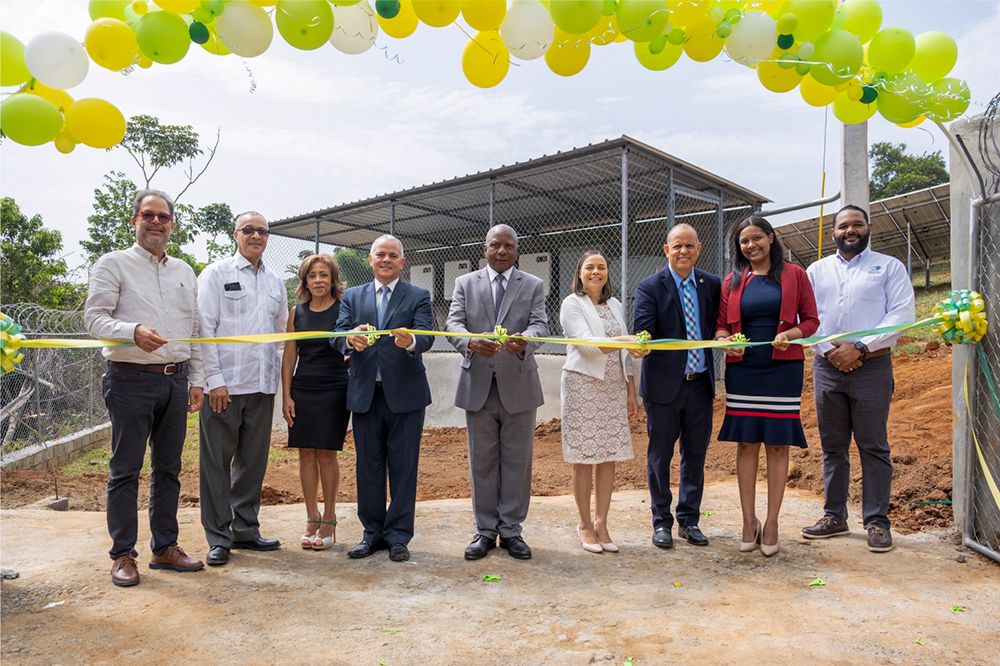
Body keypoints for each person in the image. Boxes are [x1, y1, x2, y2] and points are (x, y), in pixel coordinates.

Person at [84, 189, 206, 587]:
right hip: (129, 379)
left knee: (169, 469)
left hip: (175, 379)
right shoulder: (113, 264)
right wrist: (131, 331)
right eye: (148, 215)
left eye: (163, 217)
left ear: (172, 223)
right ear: (134, 220)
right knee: (125, 471)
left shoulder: (185, 271)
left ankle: (165, 547)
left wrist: (197, 379)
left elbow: (195, 330)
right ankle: (122, 554)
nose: (156, 222)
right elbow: (95, 319)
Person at [801, 205, 915, 553]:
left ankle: (877, 522)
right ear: (832, 232)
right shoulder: (816, 270)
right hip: (827, 367)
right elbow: (804, 317)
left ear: (868, 228)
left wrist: (860, 348)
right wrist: (831, 350)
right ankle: (834, 516)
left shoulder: (889, 267)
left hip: (873, 368)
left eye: (856, 225)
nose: (849, 231)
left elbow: (901, 314)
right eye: (842, 226)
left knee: (873, 445)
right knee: (833, 446)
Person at [715, 216, 819, 557]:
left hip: (782, 369)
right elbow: (719, 328)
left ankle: (772, 522)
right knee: (746, 443)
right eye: (744, 242)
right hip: (744, 369)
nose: (750, 246)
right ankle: (749, 521)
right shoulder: (732, 280)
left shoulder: (796, 275)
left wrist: (789, 335)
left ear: (771, 238)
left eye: (756, 238)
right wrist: (726, 341)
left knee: (776, 445)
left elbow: (811, 321)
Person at [446, 224, 548, 561]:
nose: (502, 251)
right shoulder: (464, 283)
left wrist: (525, 344)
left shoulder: (532, 284)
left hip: (518, 382)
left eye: (508, 246)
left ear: (517, 249)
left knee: (518, 461)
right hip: (478, 384)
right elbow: (453, 325)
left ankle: (512, 531)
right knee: (482, 461)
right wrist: (470, 342)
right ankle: (485, 531)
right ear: (485, 248)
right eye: (495, 245)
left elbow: (540, 326)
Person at [196, 211, 288, 566]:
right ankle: (219, 537)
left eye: (262, 231)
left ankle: (245, 530)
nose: (256, 236)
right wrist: (213, 381)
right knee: (216, 464)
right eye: (248, 230)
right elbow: (204, 329)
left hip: (262, 387)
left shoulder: (275, 282)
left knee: (252, 464)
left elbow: (281, 333)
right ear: (235, 235)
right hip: (225, 388)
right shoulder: (217, 275)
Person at [335, 235, 433, 562]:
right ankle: (372, 533)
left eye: (393, 255)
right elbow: (338, 336)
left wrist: (410, 342)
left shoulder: (418, 295)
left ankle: (399, 536)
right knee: (369, 467)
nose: (386, 260)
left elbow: (427, 336)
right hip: (365, 395)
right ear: (371, 259)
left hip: (406, 396)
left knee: (404, 468)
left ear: (402, 262)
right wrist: (350, 340)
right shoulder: (351, 296)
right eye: (381, 254)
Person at [633, 223, 721, 549]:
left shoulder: (711, 284)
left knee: (695, 455)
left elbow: (719, 326)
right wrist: (643, 342)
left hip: (699, 385)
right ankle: (661, 523)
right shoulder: (650, 287)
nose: (683, 251)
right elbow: (643, 330)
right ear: (666, 250)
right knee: (660, 456)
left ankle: (689, 520)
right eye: (677, 246)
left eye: (689, 246)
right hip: (663, 388)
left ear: (698, 249)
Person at [559, 250, 644, 554]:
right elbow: (589, 347)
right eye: (589, 267)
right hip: (582, 386)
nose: (596, 272)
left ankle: (602, 523)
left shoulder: (616, 305)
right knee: (584, 458)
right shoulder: (572, 304)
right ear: (580, 273)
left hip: (612, 388)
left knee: (608, 457)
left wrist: (631, 391)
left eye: (601, 267)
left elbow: (624, 355)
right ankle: (583, 523)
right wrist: (628, 341)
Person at [281, 254, 350, 551]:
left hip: (335, 388)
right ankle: (312, 516)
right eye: (312, 275)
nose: (318, 280)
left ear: (333, 280)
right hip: (303, 388)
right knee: (305, 454)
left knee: (325, 454)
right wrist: (286, 394)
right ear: (305, 281)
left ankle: (330, 518)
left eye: (324, 275)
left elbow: (353, 347)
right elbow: (289, 355)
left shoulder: (344, 309)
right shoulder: (296, 313)